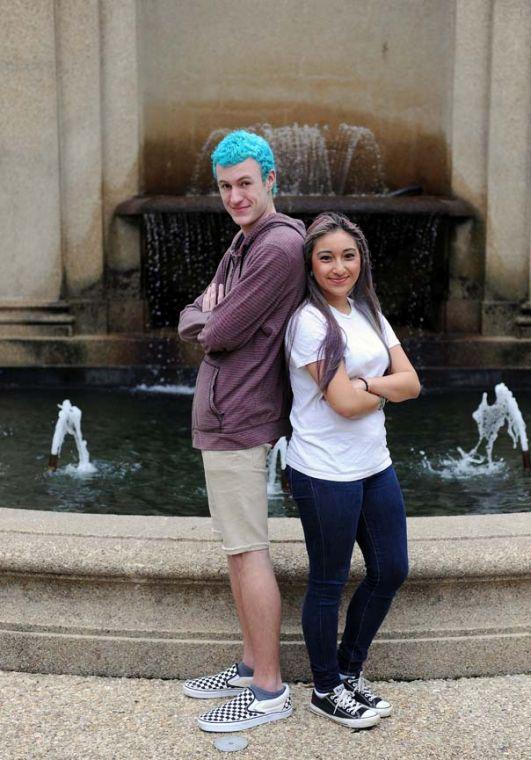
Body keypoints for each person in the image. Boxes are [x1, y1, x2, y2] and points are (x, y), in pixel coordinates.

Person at [178, 130, 305, 733]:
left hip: (238, 415)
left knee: (248, 552)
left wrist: (212, 315)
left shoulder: (277, 248)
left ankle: (268, 690)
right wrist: (210, 313)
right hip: (227, 414)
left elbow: (216, 329)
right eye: (226, 186)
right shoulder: (245, 240)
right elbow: (193, 312)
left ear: (271, 181)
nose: (235, 195)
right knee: (237, 552)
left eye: (246, 183)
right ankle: (250, 663)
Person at [285, 212, 420, 729]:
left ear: (361, 259)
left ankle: (348, 672)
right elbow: (341, 402)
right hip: (323, 471)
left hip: (373, 464)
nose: (338, 267)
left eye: (347, 255)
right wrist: (377, 388)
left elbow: (413, 383)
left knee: (391, 570)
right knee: (328, 581)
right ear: (311, 266)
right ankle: (324, 688)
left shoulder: (367, 310)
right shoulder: (309, 322)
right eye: (326, 258)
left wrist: (365, 388)